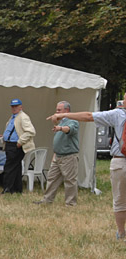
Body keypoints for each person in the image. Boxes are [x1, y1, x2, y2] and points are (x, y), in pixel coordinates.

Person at [46, 99, 126, 239]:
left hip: (120, 161)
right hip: (61, 156)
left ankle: (121, 232)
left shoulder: (118, 114)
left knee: (119, 200)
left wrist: (63, 118)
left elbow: (89, 116)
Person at [35, 101, 79, 206]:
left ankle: (70, 203)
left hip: (69, 156)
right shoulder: (61, 122)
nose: (56, 112)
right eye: (56, 110)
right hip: (58, 156)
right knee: (52, 178)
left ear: (66, 110)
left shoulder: (73, 122)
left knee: (70, 181)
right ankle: (47, 200)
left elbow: (69, 130)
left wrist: (60, 128)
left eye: (59, 110)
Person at [0, 98, 35, 194]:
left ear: (21, 107)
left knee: (9, 167)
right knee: (16, 167)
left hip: (15, 145)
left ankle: (7, 189)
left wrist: (20, 142)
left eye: (16, 106)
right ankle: (17, 188)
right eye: (12, 106)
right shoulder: (14, 117)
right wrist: (4, 137)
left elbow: (30, 131)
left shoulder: (23, 117)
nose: (14, 108)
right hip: (10, 144)